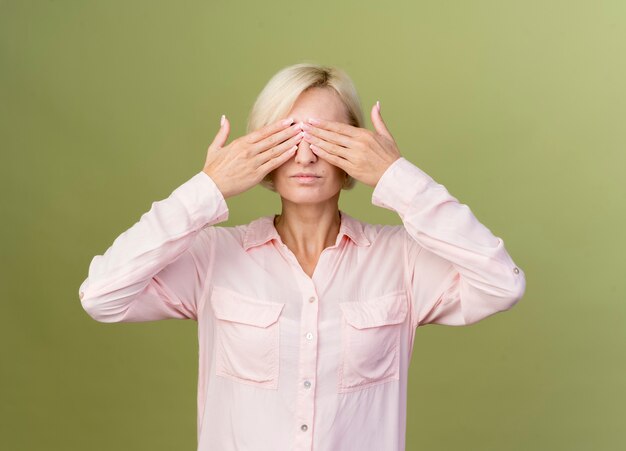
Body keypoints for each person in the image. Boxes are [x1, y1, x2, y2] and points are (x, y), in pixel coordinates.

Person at [78, 62, 526, 451]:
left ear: (356, 148)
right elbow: (102, 295)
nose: (307, 155)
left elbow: (502, 284)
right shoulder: (213, 256)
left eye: (327, 138)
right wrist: (207, 188)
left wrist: (397, 177)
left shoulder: (400, 261)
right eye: (288, 137)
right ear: (261, 148)